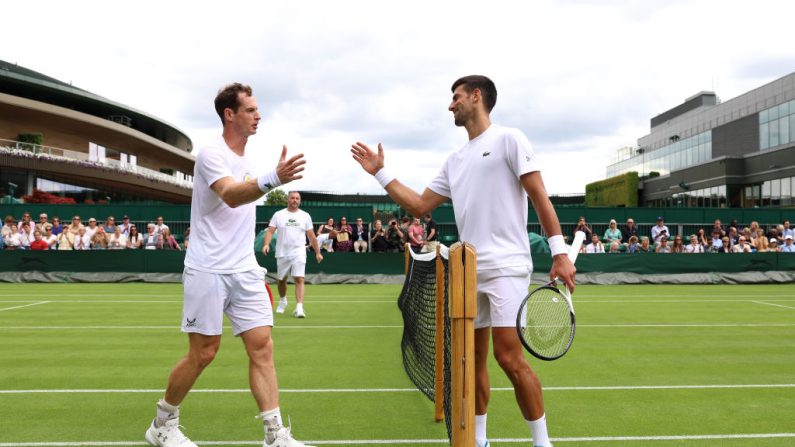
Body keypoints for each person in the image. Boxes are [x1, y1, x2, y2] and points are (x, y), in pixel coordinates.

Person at [350, 75, 575, 447]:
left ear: (476, 96)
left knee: (508, 357)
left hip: (506, 267)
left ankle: (542, 443)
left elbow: (539, 196)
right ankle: (479, 440)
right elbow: (419, 206)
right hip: (467, 272)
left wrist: (560, 252)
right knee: (471, 363)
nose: (450, 104)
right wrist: (380, 172)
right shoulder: (454, 160)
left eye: (456, 97)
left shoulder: (510, 139)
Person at [144, 82, 309, 447]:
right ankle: (162, 425)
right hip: (207, 268)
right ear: (229, 114)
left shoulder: (249, 162)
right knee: (203, 353)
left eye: (257, 109)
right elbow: (231, 196)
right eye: (250, 109)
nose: (258, 115)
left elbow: (245, 194)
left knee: (262, 347)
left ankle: (274, 435)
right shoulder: (210, 154)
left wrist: (268, 178)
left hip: (245, 269)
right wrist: (274, 178)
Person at [262, 191, 323, 318]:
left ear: (299, 201)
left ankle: (299, 307)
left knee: (299, 278)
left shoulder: (305, 216)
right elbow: (270, 231)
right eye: (292, 198)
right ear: (287, 200)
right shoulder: (278, 215)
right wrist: (266, 244)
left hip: (299, 251)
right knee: (281, 280)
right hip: (282, 252)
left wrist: (318, 252)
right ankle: (283, 300)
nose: (295, 200)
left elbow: (311, 235)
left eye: (297, 198)